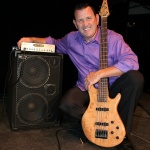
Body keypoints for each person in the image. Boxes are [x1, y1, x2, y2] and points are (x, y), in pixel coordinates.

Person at [17, 3, 144, 150]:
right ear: (75, 23)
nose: (85, 24)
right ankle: (96, 124)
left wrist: (100, 73)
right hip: (87, 88)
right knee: (67, 104)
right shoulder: (71, 39)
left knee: (135, 78)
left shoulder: (114, 38)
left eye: (88, 18)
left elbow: (132, 61)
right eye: (80, 20)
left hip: (113, 87)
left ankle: (122, 135)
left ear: (97, 18)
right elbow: (53, 42)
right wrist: (31, 39)